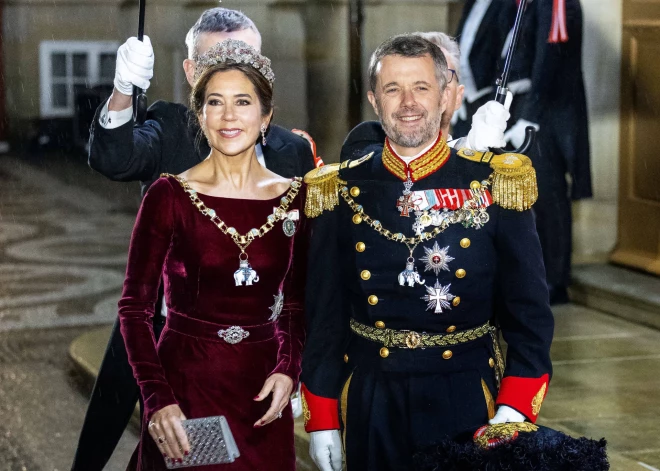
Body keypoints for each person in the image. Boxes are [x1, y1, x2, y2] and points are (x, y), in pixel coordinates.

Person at [72, 9, 315, 471]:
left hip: (260, 370)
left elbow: (303, 282)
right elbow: (115, 156)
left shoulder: (294, 154)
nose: (230, 110)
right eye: (214, 66)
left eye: (244, 61)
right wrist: (124, 88)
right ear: (191, 76)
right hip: (173, 349)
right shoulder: (171, 130)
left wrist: (293, 366)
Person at [300, 34, 554, 471]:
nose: (407, 102)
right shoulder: (339, 189)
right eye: (392, 89)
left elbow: (530, 316)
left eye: (421, 87)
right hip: (370, 398)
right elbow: (324, 319)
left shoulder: (495, 184)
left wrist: (515, 407)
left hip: (466, 398)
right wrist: (322, 416)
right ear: (374, 101)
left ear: (446, 96)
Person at [503, 0, 592, 303]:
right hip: (528, 106)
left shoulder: (557, 3)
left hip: (547, 114)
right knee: (532, 200)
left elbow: (549, 59)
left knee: (549, 197)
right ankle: (538, 275)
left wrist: (530, 115)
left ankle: (556, 280)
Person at [340, 31, 510, 163]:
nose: (409, 100)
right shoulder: (369, 138)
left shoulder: (486, 155)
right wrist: (466, 150)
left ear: (455, 96)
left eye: (422, 86)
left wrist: (480, 158)